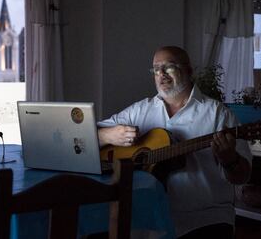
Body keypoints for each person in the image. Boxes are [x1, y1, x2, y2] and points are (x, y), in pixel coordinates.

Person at [97, 46, 252, 239]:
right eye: (155, 69)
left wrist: (230, 160)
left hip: (204, 220)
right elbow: (88, 136)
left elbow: (242, 176)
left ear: (188, 71)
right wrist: (106, 136)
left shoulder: (218, 115)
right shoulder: (139, 111)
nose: (161, 74)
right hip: (147, 219)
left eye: (169, 67)